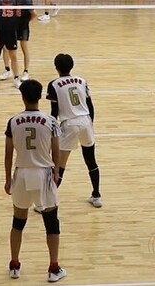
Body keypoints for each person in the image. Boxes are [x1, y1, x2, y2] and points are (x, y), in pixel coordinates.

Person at [4, 79, 66, 282]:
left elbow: (8, 153)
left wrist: (7, 179)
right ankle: (53, 268)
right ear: (40, 97)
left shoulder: (13, 121)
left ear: (22, 97)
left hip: (21, 173)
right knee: (51, 223)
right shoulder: (50, 121)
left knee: (18, 221)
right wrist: (56, 172)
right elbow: (56, 151)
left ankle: (14, 265)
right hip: (43, 174)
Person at [42, 53, 102, 210]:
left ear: (56, 67)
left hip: (69, 124)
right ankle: (96, 195)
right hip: (86, 121)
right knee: (91, 160)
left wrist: (51, 132)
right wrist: (90, 124)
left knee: (59, 165)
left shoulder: (54, 84)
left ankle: (48, 202)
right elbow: (90, 105)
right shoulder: (82, 81)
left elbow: (54, 112)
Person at [0, 0, 38, 82]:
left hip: (22, 26)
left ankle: (25, 72)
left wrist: (26, 22)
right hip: (13, 25)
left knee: (24, 48)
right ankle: (8, 70)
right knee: (7, 48)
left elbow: (34, 14)